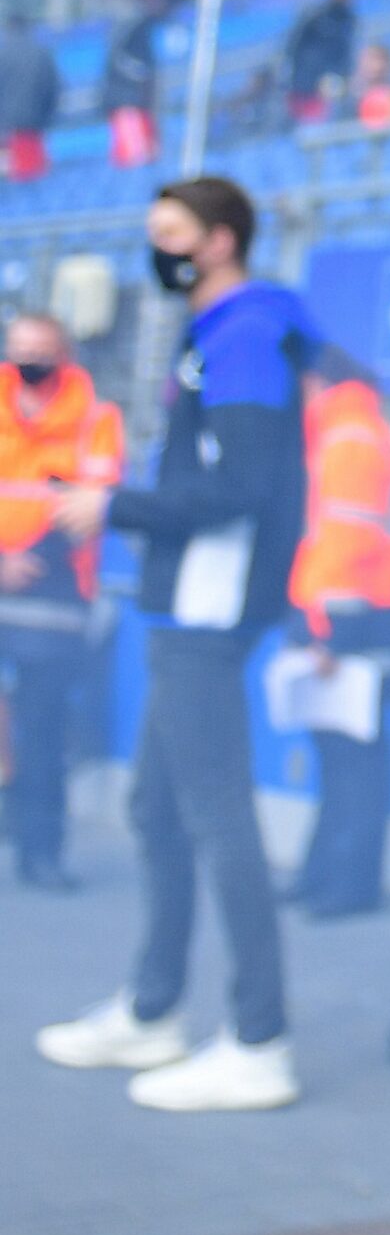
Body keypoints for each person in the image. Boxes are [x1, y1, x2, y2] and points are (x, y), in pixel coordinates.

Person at [36, 177, 315, 1114]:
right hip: (180, 608)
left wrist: (114, 506)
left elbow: (238, 486)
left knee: (215, 816)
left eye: (171, 234)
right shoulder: (214, 336)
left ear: (221, 239)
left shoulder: (243, 339)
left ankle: (258, 1039)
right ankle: (154, 1008)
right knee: (156, 809)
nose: (156, 250)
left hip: (211, 609)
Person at [281, 346, 390, 921]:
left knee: (355, 760)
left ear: (316, 382)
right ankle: (324, 874)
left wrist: (330, 634)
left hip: (355, 626)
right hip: (354, 619)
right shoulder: (346, 431)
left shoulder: (350, 439)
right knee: (339, 756)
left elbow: (347, 544)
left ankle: (349, 884)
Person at [0, 313, 122, 891]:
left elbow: (93, 501)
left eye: (41, 350)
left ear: (65, 353)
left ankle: (40, 849)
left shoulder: (96, 418)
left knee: (45, 732)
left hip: (54, 592)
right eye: (20, 349)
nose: (29, 360)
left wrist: (28, 560)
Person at [104, 0, 168, 169]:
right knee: (135, 159)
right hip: (128, 103)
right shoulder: (133, 26)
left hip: (140, 104)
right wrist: (141, 75)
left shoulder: (146, 27)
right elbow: (119, 58)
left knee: (146, 156)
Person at [282, 0, 357, 122]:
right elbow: (294, 43)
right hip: (305, 78)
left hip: (328, 79)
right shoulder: (316, 14)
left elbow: (345, 52)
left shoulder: (349, 19)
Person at [0, 12, 60, 184]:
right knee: (35, 175)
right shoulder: (42, 53)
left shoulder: (3, 55)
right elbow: (53, 87)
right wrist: (47, 115)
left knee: (20, 180)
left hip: (8, 127)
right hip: (35, 124)